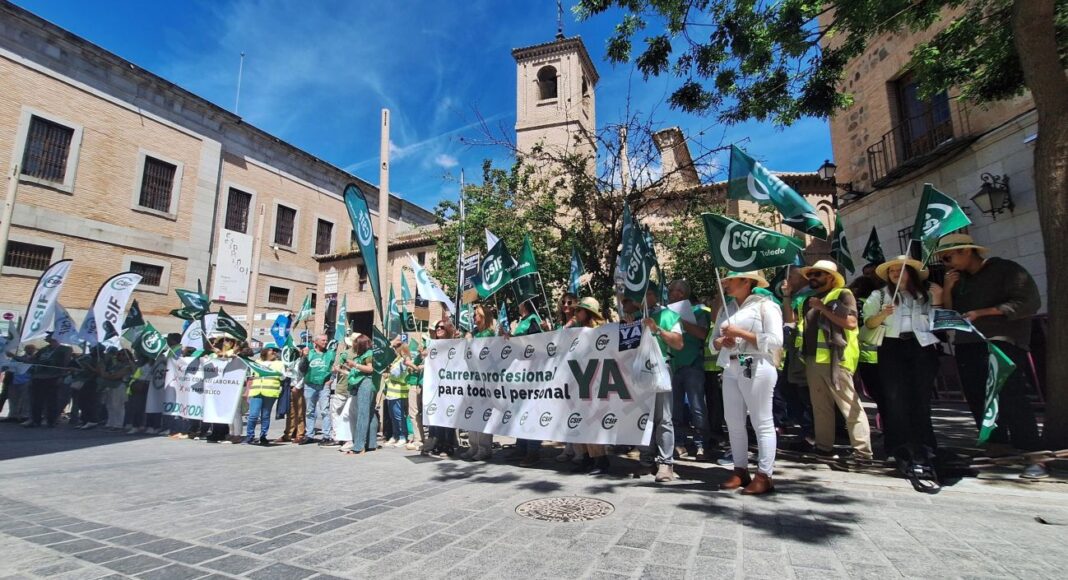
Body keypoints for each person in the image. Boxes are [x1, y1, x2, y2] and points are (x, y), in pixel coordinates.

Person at [936, 234, 1046, 479]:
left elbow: (1027, 302)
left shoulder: (1006, 270)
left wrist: (982, 313)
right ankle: (996, 447)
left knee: (1010, 395)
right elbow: (951, 313)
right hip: (967, 343)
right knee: (977, 395)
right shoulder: (959, 280)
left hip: (1002, 341)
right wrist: (948, 289)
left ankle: (1034, 454)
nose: (945, 263)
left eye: (947, 257)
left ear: (966, 251)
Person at [785, 260, 873, 462]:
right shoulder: (810, 299)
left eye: (818, 274)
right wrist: (787, 296)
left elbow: (851, 323)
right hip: (812, 359)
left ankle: (863, 452)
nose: (812, 277)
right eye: (811, 274)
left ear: (831, 277)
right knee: (820, 406)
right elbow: (792, 322)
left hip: (836, 360)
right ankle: (824, 447)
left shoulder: (843, 294)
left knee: (849, 405)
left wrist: (822, 308)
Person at [863, 255, 942, 472]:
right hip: (892, 347)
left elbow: (937, 321)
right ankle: (897, 447)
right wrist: (883, 314)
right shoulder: (879, 295)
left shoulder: (925, 295)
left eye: (901, 270)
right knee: (894, 399)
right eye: (892, 271)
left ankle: (925, 447)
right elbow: (868, 323)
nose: (895, 274)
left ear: (911, 273)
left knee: (921, 398)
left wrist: (939, 298)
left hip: (921, 346)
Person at [712, 271, 783, 494]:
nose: (726, 284)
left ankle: (765, 474)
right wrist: (721, 341)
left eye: (731, 280)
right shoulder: (726, 308)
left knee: (762, 421)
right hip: (731, 366)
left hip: (758, 364)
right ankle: (740, 469)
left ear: (746, 281)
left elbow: (776, 340)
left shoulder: (766, 305)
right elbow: (712, 342)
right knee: (733, 421)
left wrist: (742, 333)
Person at [636, 286, 685, 482]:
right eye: (641, 295)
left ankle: (666, 463)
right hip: (639, 371)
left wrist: (657, 329)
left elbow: (678, 343)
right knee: (642, 416)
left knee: (663, 417)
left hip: (661, 368)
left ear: (655, 295)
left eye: (648, 293)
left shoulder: (669, 315)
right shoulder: (635, 317)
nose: (644, 298)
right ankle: (646, 461)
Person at [666, 279, 713, 460]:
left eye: (677, 290)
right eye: (671, 290)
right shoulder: (665, 313)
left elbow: (702, 334)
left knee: (697, 407)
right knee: (675, 409)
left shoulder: (699, 311)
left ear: (685, 294)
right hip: (673, 364)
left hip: (693, 365)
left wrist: (681, 321)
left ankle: (701, 444)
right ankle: (679, 443)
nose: (673, 293)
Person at [461, 303, 497, 460]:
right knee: (472, 412)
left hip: (486, 379)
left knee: (484, 413)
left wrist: (470, 341)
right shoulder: (474, 332)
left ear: (483, 317)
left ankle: (484, 448)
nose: (474, 317)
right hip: (473, 379)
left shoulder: (489, 333)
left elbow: (482, 352)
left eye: (476, 314)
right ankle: (473, 445)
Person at [511, 299, 544, 467]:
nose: (517, 305)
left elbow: (534, 340)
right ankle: (521, 447)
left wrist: (514, 338)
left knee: (531, 410)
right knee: (521, 410)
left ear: (524, 304)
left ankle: (533, 451)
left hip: (532, 371)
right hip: (521, 371)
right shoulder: (522, 320)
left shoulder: (533, 319)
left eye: (520, 302)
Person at [21, 333, 72, 428]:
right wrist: (15, 357)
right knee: (36, 400)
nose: (46, 337)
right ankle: (36, 420)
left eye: (49, 336)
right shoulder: (44, 349)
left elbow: (65, 364)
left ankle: (51, 420)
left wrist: (62, 376)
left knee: (52, 400)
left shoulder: (65, 349)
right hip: (39, 377)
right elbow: (33, 360)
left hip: (53, 377)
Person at [424, 319, 459, 457]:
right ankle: (438, 443)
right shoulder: (432, 346)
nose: (438, 329)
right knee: (437, 416)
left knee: (448, 415)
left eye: (442, 327)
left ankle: (448, 445)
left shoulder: (453, 344)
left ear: (448, 330)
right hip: (435, 387)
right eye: (437, 327)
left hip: (449, 386)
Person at [344, 334, 378, 455]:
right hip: (368, 383)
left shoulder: (368, 354)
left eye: (355, 343)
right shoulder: (365, 354)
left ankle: (359, 446)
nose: (353, 346)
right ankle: (371, 443)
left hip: (366, 383)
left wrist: (355, 364)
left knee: (362, 414)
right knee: (370, 413)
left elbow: (370, 369)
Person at [246, 344, 285, 445]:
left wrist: (281, 373)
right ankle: (250, 436)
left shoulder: (280, 364)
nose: (274, 353)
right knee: (253, 415)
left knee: (265, 415)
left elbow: (283, 378)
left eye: (276, 351)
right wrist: (247, 391)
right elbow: (251, 376)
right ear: (265, 351)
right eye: (272, 350)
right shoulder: (257, 362)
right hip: (256, 391)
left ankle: (263, 436)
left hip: (270, 392)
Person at [301, 334, 335, 444]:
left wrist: (331, 379)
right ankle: (309, 435)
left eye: (326, 340)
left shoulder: (330, 353)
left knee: (325, 410)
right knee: (310, 411)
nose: (325, 342)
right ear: (315, 342)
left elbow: (334, 367)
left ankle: (326, 435)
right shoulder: (309, 353)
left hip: (323, 385)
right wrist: (304, 357)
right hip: (310, 385)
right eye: (323, 340)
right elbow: (302, 369)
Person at [382, 338, 410, 447]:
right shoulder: (396, 359)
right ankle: (395, 435)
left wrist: (389, 372)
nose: (394, 349)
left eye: (396, 347)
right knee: (392, 416)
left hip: (399, 392)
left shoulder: (404, 360)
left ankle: (403, 436)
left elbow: (396, 374)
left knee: (399, 416)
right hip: (391, 391)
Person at [402, 338, 425, 451]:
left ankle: (420, 439)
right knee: (413, 413)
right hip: (414, 383)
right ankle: (418, 438)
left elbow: (419, 369)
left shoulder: (427, 351)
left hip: (419, 384)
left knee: (417, 413)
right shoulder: (417, 355)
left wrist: (411, 364)